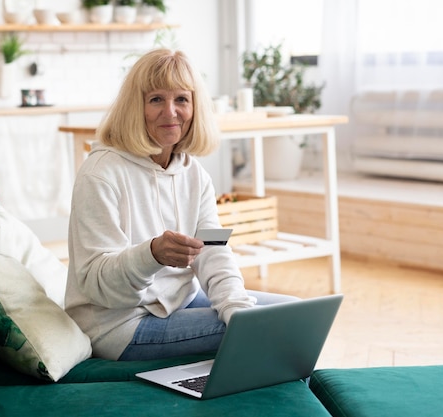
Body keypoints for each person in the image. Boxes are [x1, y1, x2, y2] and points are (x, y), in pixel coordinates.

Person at [65, 48, 298, 361]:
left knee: (293, 313)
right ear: (136, 107)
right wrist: (151, 255)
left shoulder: (194, 173)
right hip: (120, 324)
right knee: (279, 331)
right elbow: (99, 287)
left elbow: (215, 250)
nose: (171, 112)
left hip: (180, 302)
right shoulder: (101, 174)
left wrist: (235, 307)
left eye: (181, 99)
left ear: (195, 106)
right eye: (156, 99)